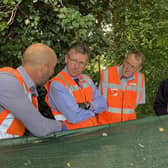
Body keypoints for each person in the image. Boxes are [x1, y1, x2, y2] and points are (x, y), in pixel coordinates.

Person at [0, 43, 63, 139]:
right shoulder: (7, 81)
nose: (52, 73)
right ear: (43, 68)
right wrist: (63, 125)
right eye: (52, 68)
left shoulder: (26, 89)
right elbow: (40, 128)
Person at [45, 42, 107, 130]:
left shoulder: (87, 79)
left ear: (86, 65)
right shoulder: (57, 84)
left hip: (92, 132)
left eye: (81, 63)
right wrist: (94, 109)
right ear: (66, 59)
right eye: (74, 61)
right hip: (71, 137)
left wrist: (87, 106)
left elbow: (103, 104)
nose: (76, 66)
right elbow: (74, 117)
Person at [97, 51, 145, 125]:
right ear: (124, 60)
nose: (128, 68)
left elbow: (136, 105)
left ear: (138, 69)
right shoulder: (107, 74)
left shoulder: (140, 79)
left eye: (132, 67)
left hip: (128, 127)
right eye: (127, 63)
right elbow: (96, 102)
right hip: (106, 127)